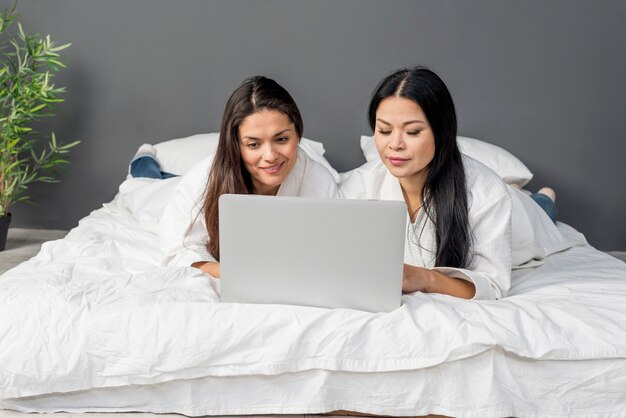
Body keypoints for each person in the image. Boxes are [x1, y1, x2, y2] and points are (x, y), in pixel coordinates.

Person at [341, 67, 513, 300]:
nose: (395, 144)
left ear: (442, 132)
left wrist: (425, 278)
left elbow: (492, 285)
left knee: (541, 210)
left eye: (412, 132)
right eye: (384, 130)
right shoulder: (359, 185)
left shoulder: (488, 193)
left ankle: (543, 200)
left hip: (524, 217)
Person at [159, 76, 339, 277]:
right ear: (236, 145)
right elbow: (178, 252)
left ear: (297, 134)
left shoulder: (319, 181)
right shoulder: (204, 178)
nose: (270, 156)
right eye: (253, 144)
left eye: (281, 139)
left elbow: (331, 255)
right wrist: (240, 275)